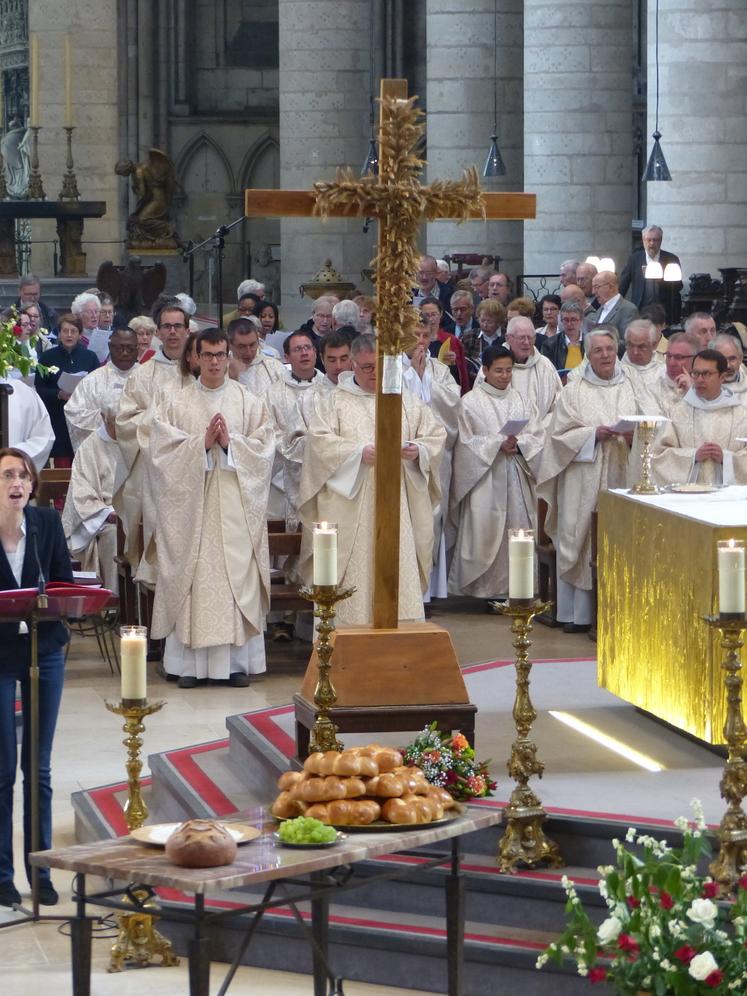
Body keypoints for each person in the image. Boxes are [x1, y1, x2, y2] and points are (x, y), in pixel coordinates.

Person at [149, 328, 275, 688]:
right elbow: (160, 453)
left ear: (229, 356)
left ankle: (236, 664)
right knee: (194, 577)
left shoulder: (248, 401)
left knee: (234, 578)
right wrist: (200, 445)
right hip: (192, 512)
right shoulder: (175, 401)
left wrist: (231, 445)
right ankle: (188, 666)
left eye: (222, 354)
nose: (216, 362)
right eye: (208, 355)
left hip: (235, 506)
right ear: (195, 358)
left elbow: (265, 449)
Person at [298, 334, 446, 626]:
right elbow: (318, 444)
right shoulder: (333, 402)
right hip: (350, 507)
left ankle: (402, 635)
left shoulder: (404, 400)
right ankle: (343, 637)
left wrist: (418, 450)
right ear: (352, 364)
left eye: (377, 365)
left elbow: (435, 434)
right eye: (365, 367)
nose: (373, 373)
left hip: (398, 503)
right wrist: (356, 454)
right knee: (354, 573)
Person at [0, 447, 73, 908]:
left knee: (38, 769)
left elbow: (64, 583)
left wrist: (59, 603)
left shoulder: (46, 524)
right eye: (8, 475)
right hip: (0, 656)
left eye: (24, 475)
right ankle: (3, 876)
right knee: (3, 769)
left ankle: (40, 871)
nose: (18, 483)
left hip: (43, 651)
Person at [538, 327, 637, 632]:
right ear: (588, 355)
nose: (606, 355)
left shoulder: (632, 386)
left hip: (622, 473)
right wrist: (593, 434)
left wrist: (634, 436)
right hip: (582, 476)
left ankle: (618, 614)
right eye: (598, 350)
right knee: (579, 539)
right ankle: (577, 615)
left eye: (610, 348)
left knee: (620, 541)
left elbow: (653, 428)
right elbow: (558, 436)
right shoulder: (574, 390)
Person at [448, 345, 544, 600]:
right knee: (487, 534)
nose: (504, 376)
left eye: (509, 370)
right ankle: (487, 590)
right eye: (498, 371)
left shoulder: (522, 400)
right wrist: (495, 444)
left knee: (519, 530)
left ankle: (520, 588)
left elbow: (537, 434)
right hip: (486, 479)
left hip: (518, 476)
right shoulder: (470, 402)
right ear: (485, 370)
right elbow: (465, 443)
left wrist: (521, 443)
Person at [116, 301, 193, 577]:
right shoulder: (142, 374)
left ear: (187, 330)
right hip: (155, 471)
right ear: (158, 332)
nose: (172, 332)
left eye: (178, 326)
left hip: (194, 470)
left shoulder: (201, 372)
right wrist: (159, 421)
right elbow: (124, 421)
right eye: (167, 326)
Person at [652, 349, 747, 486]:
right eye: (695, 373)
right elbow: (659, 456)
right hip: (688, 498)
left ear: (722, 377)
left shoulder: (741, 414)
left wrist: (726, 459)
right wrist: (693, 456)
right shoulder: (678, 412)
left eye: (706, 374)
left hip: (728, 500)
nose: (700, 380)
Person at [62, 409, 127, 592]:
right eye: (116, 424)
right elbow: (82, 494)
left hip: (135, 515)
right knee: (115, 536)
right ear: (104, 419)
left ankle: (146, 607)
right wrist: (108, 513)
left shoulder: (134, 441)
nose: (121, 429)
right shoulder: (89, 448)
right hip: (106, 519)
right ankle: (116, 601)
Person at [264, 331, 325, 526]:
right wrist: (295, 447)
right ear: (287, 358)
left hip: (322, 475)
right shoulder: (273, 393)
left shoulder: (329, 389)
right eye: (298, 350)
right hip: (282, 476)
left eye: (308, 348)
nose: (304, 353)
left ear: (315, 353)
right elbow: (266, 430)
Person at [34, 314, 99, 466]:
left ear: (80, 334)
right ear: (59, 333)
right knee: (61, 465)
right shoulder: (47, 357)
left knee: (83, 465)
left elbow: (98, 386)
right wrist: (58, 394)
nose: (69, 335)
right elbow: (40, 388)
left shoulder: (90, 357)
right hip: (58, 417)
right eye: (65, 331)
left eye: (73, 331)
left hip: (82, 418)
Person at [64, 327, 139, 450]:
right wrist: (106, 420)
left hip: (138, 453)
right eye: (119, 348)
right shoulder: (92, 380)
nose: (125, 353)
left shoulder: (148, 379)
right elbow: (72, 412)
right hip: (103, 453)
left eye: (130, 348)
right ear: (110, 348)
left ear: (137, 348)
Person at [618, 224, 683, 325]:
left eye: (655, 240)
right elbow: (623, 284)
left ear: (661, 240)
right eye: (649, 240)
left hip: (665, 309)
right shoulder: (635, 259)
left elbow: (679, 286)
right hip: (641, 308)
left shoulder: (671, 259)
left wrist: (661, 281)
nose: (652, 243)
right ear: (643, 240)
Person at [504, 316, 562, 428]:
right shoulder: (494, 365)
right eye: (521, 337)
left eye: (530, 337)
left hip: (541, 435)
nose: (526, 342)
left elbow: (559, 406)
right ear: (508, 338)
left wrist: (538, 429)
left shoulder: (545, 366)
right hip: (505, 440)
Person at [419, 296, 470, 393]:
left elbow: (462, 373)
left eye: (434, 314)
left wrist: (454, 363)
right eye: (426, 315)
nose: (430, 319)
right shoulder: (416, 341)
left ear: (441, 314)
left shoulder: (452, 340)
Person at [227, 317, 284, 396]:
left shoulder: (275, 367)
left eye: (252, 345)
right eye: (242, 347)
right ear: (230, 344)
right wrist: (232, 378)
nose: (249, 352)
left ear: (258, 339)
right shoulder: (220, 368)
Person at [588, 271, 639, 337]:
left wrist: (603, 342)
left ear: (611, 287)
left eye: (596, 287)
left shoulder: (629, 310)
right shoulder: (598, 309)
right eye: (593, 288)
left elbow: (628, 341)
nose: (593, 292)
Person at [541, 301, 586, 372]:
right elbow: (545, 372)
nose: (569, 324)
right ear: (561, 321)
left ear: (581, 320)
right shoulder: (549, 344)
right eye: (566, 320)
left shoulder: (591, 343)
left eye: (573, 319)